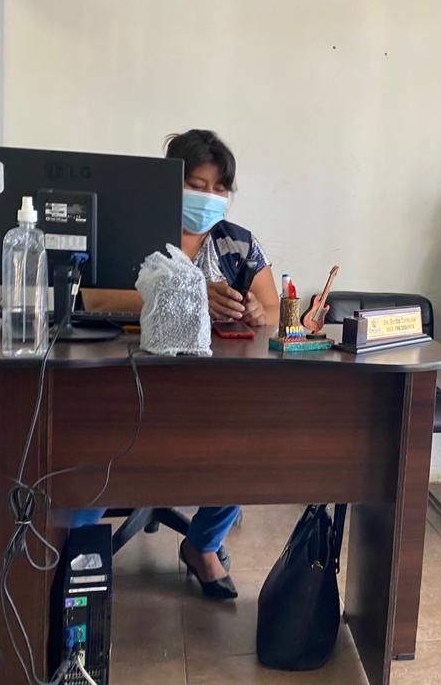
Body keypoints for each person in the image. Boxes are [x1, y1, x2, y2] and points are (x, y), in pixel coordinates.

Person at [78, 129, 279, 599]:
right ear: (171, 182)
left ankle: (202, 545)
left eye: (220, 188)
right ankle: (79, 547)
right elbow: (93, 298)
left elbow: (273, 311)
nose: (210, 196)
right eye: (197, 185)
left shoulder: (237, 245)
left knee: (249, 445)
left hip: (214, 389)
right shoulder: (134, 230)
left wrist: (256, 312)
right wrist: (185, 293)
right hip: (129, 383)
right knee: (87, 448)